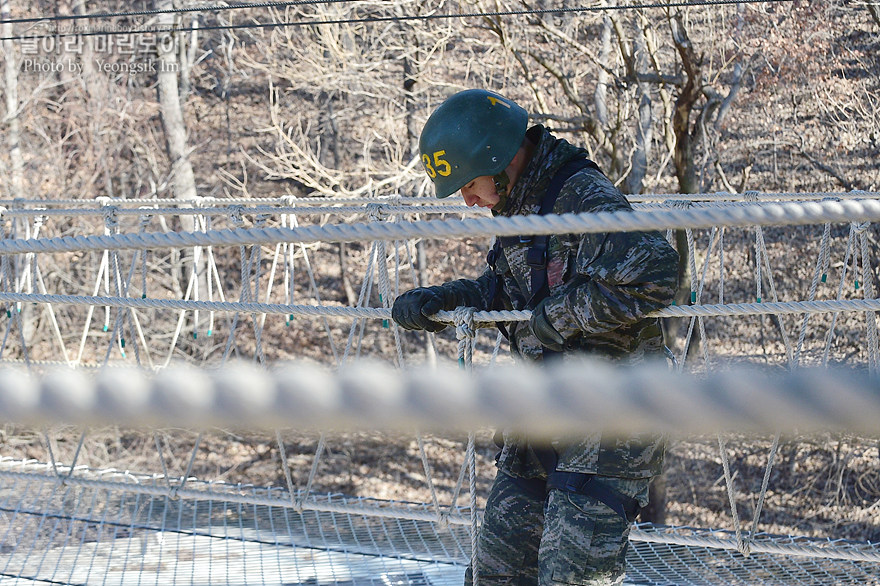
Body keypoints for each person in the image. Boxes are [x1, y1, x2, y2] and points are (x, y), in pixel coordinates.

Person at [392, 89, 679, 586]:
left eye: (469, 183)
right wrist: (445, 301)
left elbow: (655, 272)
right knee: (495, 575)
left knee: (569, 576)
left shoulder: (579, 194)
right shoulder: (518, 207)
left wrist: (561, 317)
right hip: (544, 416)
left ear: (497, 158)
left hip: (611, 421)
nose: (468, 199)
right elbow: (512, 292)